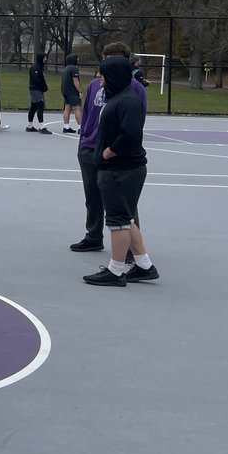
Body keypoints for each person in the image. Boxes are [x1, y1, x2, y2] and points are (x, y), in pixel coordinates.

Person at [83, 55, 160, 287]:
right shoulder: (120, 98)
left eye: (102, 73)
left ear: (113, 75)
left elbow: (130, 136)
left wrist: (108, 152)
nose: (99, 77)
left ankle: (115, 271)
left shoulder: (128, 101)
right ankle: (144, 266)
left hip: (121, 170)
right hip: (120, 169)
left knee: (117, 220)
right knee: (126, 217)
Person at [70, 43, 148, 254]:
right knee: (92, 196)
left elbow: (135, 124)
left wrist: (115, 149)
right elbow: (87, 113)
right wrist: (84, 137)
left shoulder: (135, 89)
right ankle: (93, 236)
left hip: (116, 154)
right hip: (90, 147)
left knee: (125, 205)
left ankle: (131, 250)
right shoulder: (96, 85)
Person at [25, 52, 52, 134]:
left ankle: (29, 126)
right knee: (40, 105)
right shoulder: (35, 68)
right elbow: (36, 79)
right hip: (35, 89)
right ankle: (42, 126)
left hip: (37, 89)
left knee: (33, 107)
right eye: (44, 58)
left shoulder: (40, 67)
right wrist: (43, 87)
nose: (46, 59)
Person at [60, 53, 82, 133]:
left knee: (67, 108)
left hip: (65, 91)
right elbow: (75, 81)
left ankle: (66, 126)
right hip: (72, 91)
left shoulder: (66, 68)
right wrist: (80, 91)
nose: (78, 60)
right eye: (77, 58)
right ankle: (80, 127)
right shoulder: (74, 69)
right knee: (77, 108)